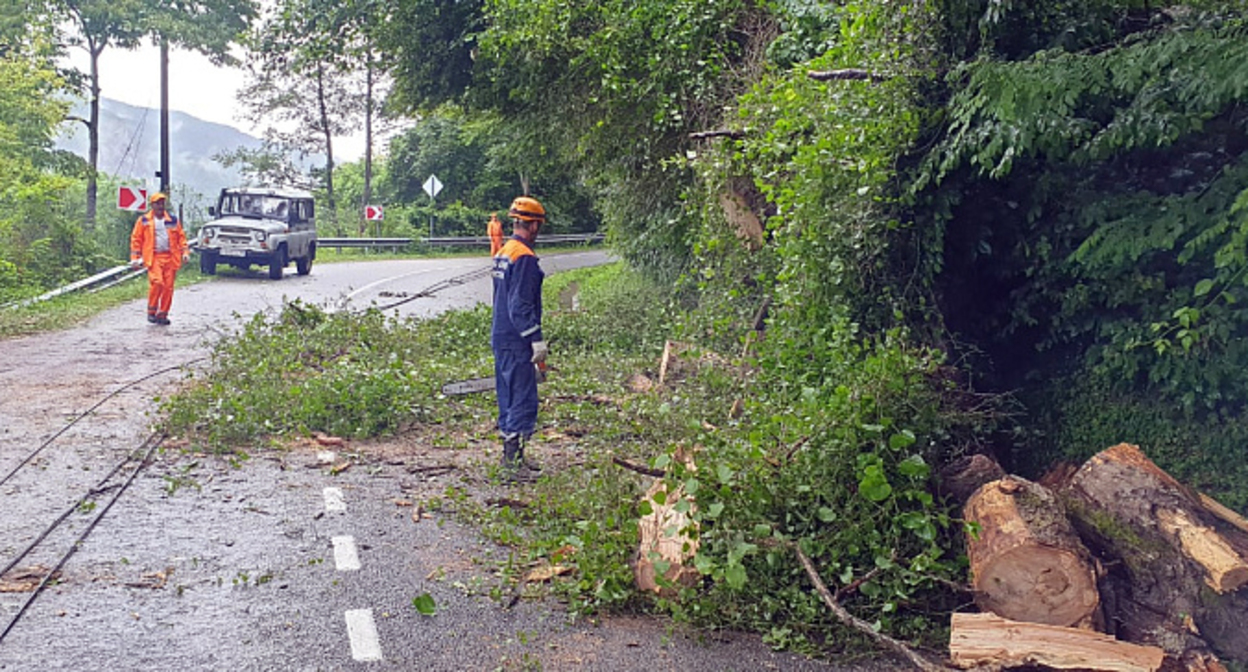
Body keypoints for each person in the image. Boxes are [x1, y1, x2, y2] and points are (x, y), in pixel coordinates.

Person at [491, 196, 548, 482]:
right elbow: (520, 305)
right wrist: (535, 339)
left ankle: (513, 455)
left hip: (501, 334)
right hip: (515, 339)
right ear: (534, 225)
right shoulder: (524, 257)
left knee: (508, 395)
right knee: (523, 399)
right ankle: (512, 463)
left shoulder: (505, 250)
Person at [129, 192, 188, 325]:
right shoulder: (144, 221)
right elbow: (136, 239)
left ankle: (162, 314)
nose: (160, 206)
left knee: (168, 287)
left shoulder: (172, 220)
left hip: (170, 258)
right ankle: (151, 311)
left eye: (162, 203)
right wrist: (135, 257)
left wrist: (185, 253)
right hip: (153, 257)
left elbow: (181, 237)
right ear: (152, 205)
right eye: (157, 203)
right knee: (157, 282)